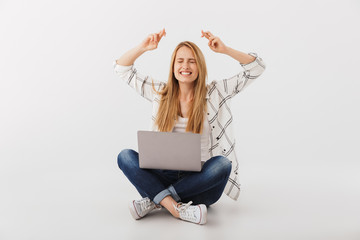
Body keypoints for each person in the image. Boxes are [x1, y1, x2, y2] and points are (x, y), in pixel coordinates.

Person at [114, 28, 266, 225]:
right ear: (173, 66)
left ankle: (157, 201)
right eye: (180, 61)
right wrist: (143, 47)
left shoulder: (216, 92)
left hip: (200, 183)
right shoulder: (160, 92)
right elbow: (121, 69)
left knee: (222, 164)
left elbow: (256, 68)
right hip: (163, 175)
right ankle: (176, 208)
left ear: (199, 66)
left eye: (191, 61)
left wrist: (226, 50)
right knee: (125, 156)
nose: (185, 66)